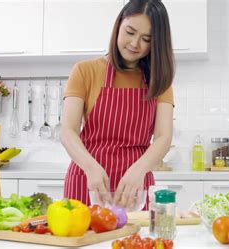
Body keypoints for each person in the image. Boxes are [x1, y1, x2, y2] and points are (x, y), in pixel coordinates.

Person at [60, 0, 174, 210]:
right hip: (87, 183)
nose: (134, 44)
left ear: (156, 43)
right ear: (119, 24)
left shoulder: (159, 80)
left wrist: (139, 170)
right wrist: (90, 168)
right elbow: (68, 131)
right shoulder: (85, 71)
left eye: (146, 39)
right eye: (130, 32)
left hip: (135, 188)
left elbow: (163, 137)